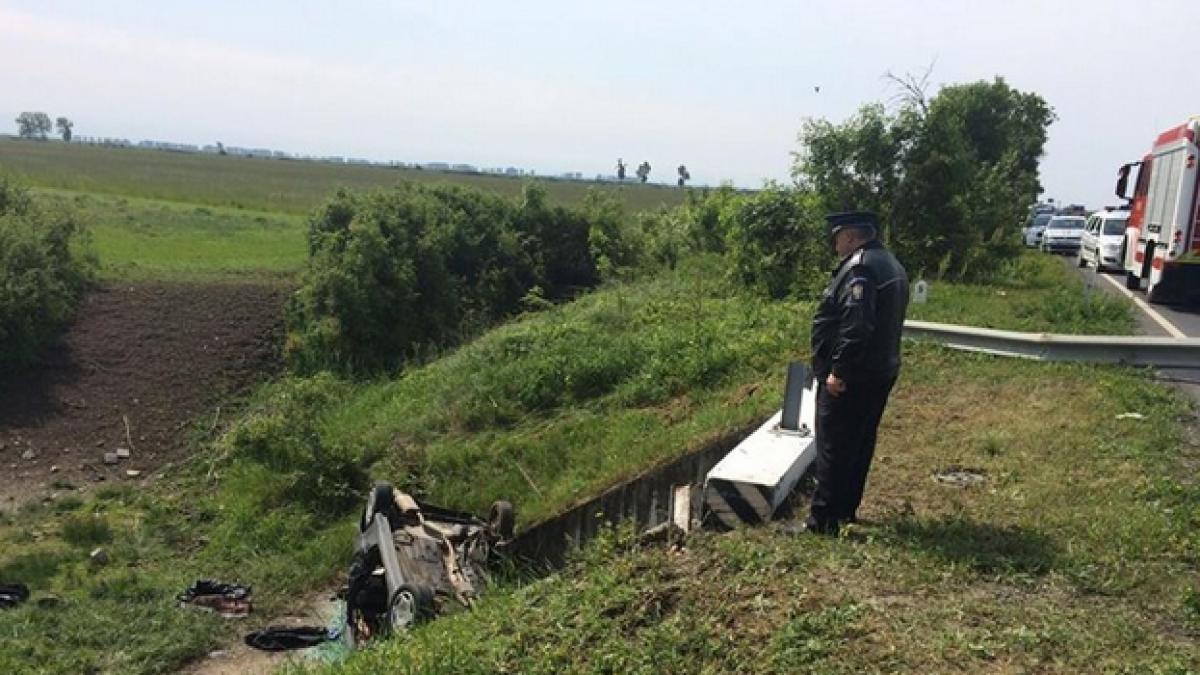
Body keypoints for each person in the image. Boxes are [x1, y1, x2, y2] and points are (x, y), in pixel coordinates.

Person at [805, 211, 909, 535]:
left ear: (851, 236)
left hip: (854, 376)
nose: (834, 243)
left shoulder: (861, 267)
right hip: (879, 370)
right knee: (859, 442)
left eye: (837, 237)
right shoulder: (888, 262)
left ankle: (822, 522)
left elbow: (857, 324)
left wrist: (839, 370)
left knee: (834, 445)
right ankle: (845, 510)